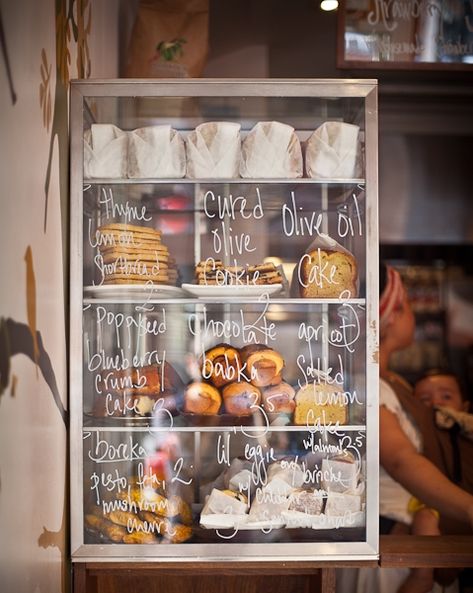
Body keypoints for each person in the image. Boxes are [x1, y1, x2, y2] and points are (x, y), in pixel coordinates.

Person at [338, 264, 473, 593]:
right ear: (394, 313)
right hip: (393, 555)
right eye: (409, 304)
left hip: (409, 546)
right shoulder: (375, 386)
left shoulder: (390, 381)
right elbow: (401, 460)